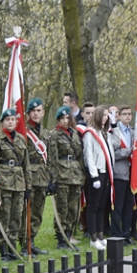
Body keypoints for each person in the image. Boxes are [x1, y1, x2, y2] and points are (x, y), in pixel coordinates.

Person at [0, 108, 30, 260]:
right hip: (4, 183)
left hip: (19, 183)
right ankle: (3, 249)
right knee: (4, 216)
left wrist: (28, 186)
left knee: (16, 216)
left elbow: (26, 164)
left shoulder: (21, 139)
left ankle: (12, 247)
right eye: (7, 120)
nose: (10, 122)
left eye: (13, 119)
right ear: (2, 122)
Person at [49, 106, 84, 250]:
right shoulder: (54, 135)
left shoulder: (75, 134)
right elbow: (53, 159)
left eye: (67, 118)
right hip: (62, 175)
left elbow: (80, 156)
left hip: (75, 175)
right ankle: (61, 238)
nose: (65, 121)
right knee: (62, 208)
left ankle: (69, 235)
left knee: (73, 208)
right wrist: (53, 179)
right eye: (62, 118)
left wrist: (82, 176)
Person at [82, 105, 113, 250]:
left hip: (106, 172)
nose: (105, 118)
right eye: (104, 115)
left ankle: (101, 234)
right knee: (93, 206)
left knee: (102, 206)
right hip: (96, 173)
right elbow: (88, 155)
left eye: (107, 115)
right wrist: (94, 176)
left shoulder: (104, 133)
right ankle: (93, 236)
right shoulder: (90, 133)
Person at [23, 98, 51, 256]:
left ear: (43, 112)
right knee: (26, 212)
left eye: (38, 110)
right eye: (33, 111)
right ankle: (24, 243)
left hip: (43, 177)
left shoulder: (45, 133)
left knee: (38, 212)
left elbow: (50, 157)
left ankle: (31, 241)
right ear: (28, 113)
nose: (35, 113)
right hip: (29, 177)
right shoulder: (24, 131)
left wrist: (51, 179)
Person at [109, 105, 135, 241]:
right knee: (118, 207)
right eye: (125, 114)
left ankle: (126, 233)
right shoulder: (113, 131)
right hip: (119, 173)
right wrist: (130, 151)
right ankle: (116, 234)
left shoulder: (133, 132)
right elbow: (115, 153)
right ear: (118, 116)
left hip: (132, 174)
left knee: (128, 206)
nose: (128, 116)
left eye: (129, 114)